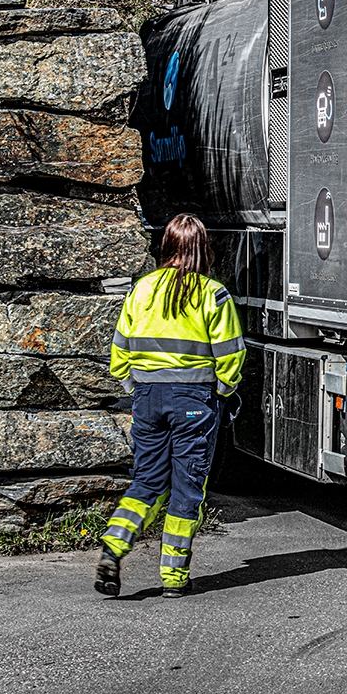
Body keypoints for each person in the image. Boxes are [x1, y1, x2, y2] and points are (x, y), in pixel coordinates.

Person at [94, 213, 244, 599]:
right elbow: (230, 355)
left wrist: (136, 386)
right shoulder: (213, 294)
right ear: (202, 249)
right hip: (194, 401)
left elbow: (120, 350)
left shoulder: (141, 290)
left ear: (167, 246)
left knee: (147, 481)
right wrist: (223, 392)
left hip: (147, 398)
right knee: (187, 488)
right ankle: (174, 577)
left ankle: (114, 547)